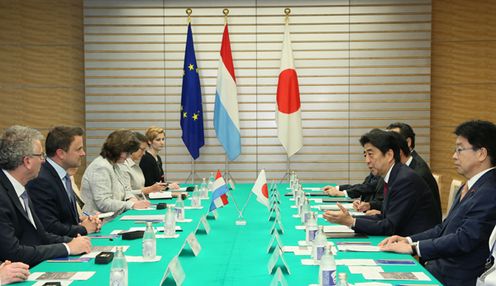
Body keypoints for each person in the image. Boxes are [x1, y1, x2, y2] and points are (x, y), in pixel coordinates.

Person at [380, 120, 496, 286]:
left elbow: (463, 239)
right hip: (439, 268)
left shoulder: (490, 191)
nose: (454, 156)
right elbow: (443, 228)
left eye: (460, 149)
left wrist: (414, 248)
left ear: (481, 154)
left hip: (456, 278)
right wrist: (408, 240)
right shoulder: (471, 184)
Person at [0, 125, 91, 266]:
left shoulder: (19, 187)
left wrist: (72, 242)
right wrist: (67, 248)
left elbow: (41, 235)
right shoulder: (2, 196)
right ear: (27, 161)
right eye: (41, 155)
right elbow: (13, 252)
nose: (44, 160)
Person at [323, 129, 438, 236]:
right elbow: (385, 217)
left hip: (414, 246)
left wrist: (351, 222)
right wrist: (350, 218)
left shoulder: (405, 179)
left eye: (371, 154)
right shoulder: (394, 175)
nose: (367, 161)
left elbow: (389, 226)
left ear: (389, 155)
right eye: (365, 155)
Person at [26, 126, 101, 237]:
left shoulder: (64, 175)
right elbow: (49, 226)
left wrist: (84, 221)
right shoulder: (41, 180)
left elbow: (65, 218)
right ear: (61, 153)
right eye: (78, 149)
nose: (83, 153)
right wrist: (82, 229)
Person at [81, 130, 150, 216]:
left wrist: (133, 200)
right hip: (100, 221)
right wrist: (131, 204)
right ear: (118, 149)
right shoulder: (101, 167)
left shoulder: (115, 165)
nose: (128, 156)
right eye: (127, 152)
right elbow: (103, 203)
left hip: (113, 217)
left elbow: (126, 190)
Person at [386, 122, 442, 219]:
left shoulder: (417, 173)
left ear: (407, 142)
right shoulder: (401, 167)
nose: (388, 147)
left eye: (392, 141)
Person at [119, 132, 168, 196]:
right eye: (142, 149)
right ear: (132, 148)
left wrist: (154, 188)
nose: (144, 153)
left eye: (163, 139)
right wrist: (150, 189)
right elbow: (125, 193)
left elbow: (141, 188)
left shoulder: (135, 166)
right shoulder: (123, 166)